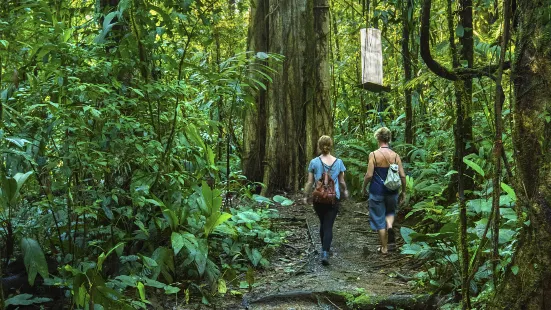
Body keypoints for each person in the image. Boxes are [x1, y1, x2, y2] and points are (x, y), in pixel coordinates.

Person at [303, 135, 348, 265]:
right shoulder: (339, 162)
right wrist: (344, 191)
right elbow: (342, 181)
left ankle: (324, 250)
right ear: (330, 146)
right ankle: (325, 252)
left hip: (318, 199)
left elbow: (310, 182)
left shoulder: (314, 162)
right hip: (333, 198)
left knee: (323, 223)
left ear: (319, 146)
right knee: (328, 225)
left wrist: (306, 196)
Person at [362, 127, 406, 254]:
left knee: (378, 218)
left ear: (378, 138)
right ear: (389, 139)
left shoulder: (374, 155)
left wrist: (364, 187)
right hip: (392, 191)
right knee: (390, 213)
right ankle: (390, 228)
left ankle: (384, 248)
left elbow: (369, 175)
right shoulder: (395, 156)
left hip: (377, 191)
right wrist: (403, 191)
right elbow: (402, 175)